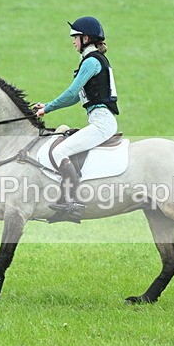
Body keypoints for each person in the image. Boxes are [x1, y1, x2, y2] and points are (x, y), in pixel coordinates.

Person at [34, 16, 119, 223]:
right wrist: (48, 105)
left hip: (102, 123)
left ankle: (73, 201)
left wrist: (48, 109)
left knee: (60, 150)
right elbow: (75, 97)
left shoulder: (91, 61)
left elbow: (72, 90)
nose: (73, 42)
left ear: (86, 38)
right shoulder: (92, 60)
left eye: (75, 37)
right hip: (98, 120)